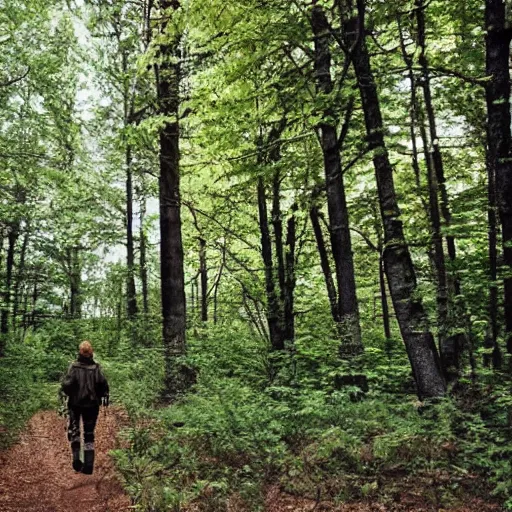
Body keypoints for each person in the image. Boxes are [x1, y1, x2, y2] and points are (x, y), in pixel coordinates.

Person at [60, 340, 109, 474]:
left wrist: (70, 393)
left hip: (75, 404)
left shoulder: (74, 367)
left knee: (75, 430)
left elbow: (67, 385)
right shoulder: (96, 368)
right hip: (92, 406)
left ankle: (76, 459)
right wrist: (100, 396)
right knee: (89, 434)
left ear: (80, 352)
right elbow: (103, 385)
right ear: (91, 352)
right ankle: (88, 465)